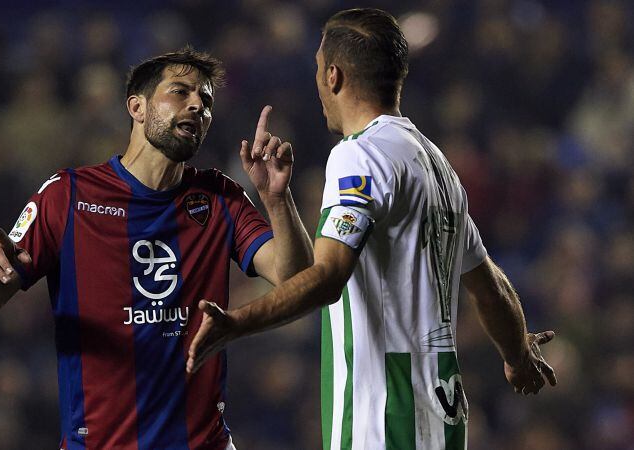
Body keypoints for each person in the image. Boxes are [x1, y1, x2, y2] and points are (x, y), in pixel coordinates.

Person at [186, 8, 557, 450]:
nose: (319, 83)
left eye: (319, 69)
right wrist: (517, 356)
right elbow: (489, 284)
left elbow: (326, 279)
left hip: (386, 410)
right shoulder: (436, 165)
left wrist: (235, 324)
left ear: (335, 76)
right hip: (441, 408)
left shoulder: (359, 155)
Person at [0, 47, 313, 450]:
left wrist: (276, 199)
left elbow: (298, 282)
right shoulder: (67, 196)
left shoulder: (218, 197)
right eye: (180, 92)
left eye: (206, 99)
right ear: (137, 107)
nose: (197, 104)